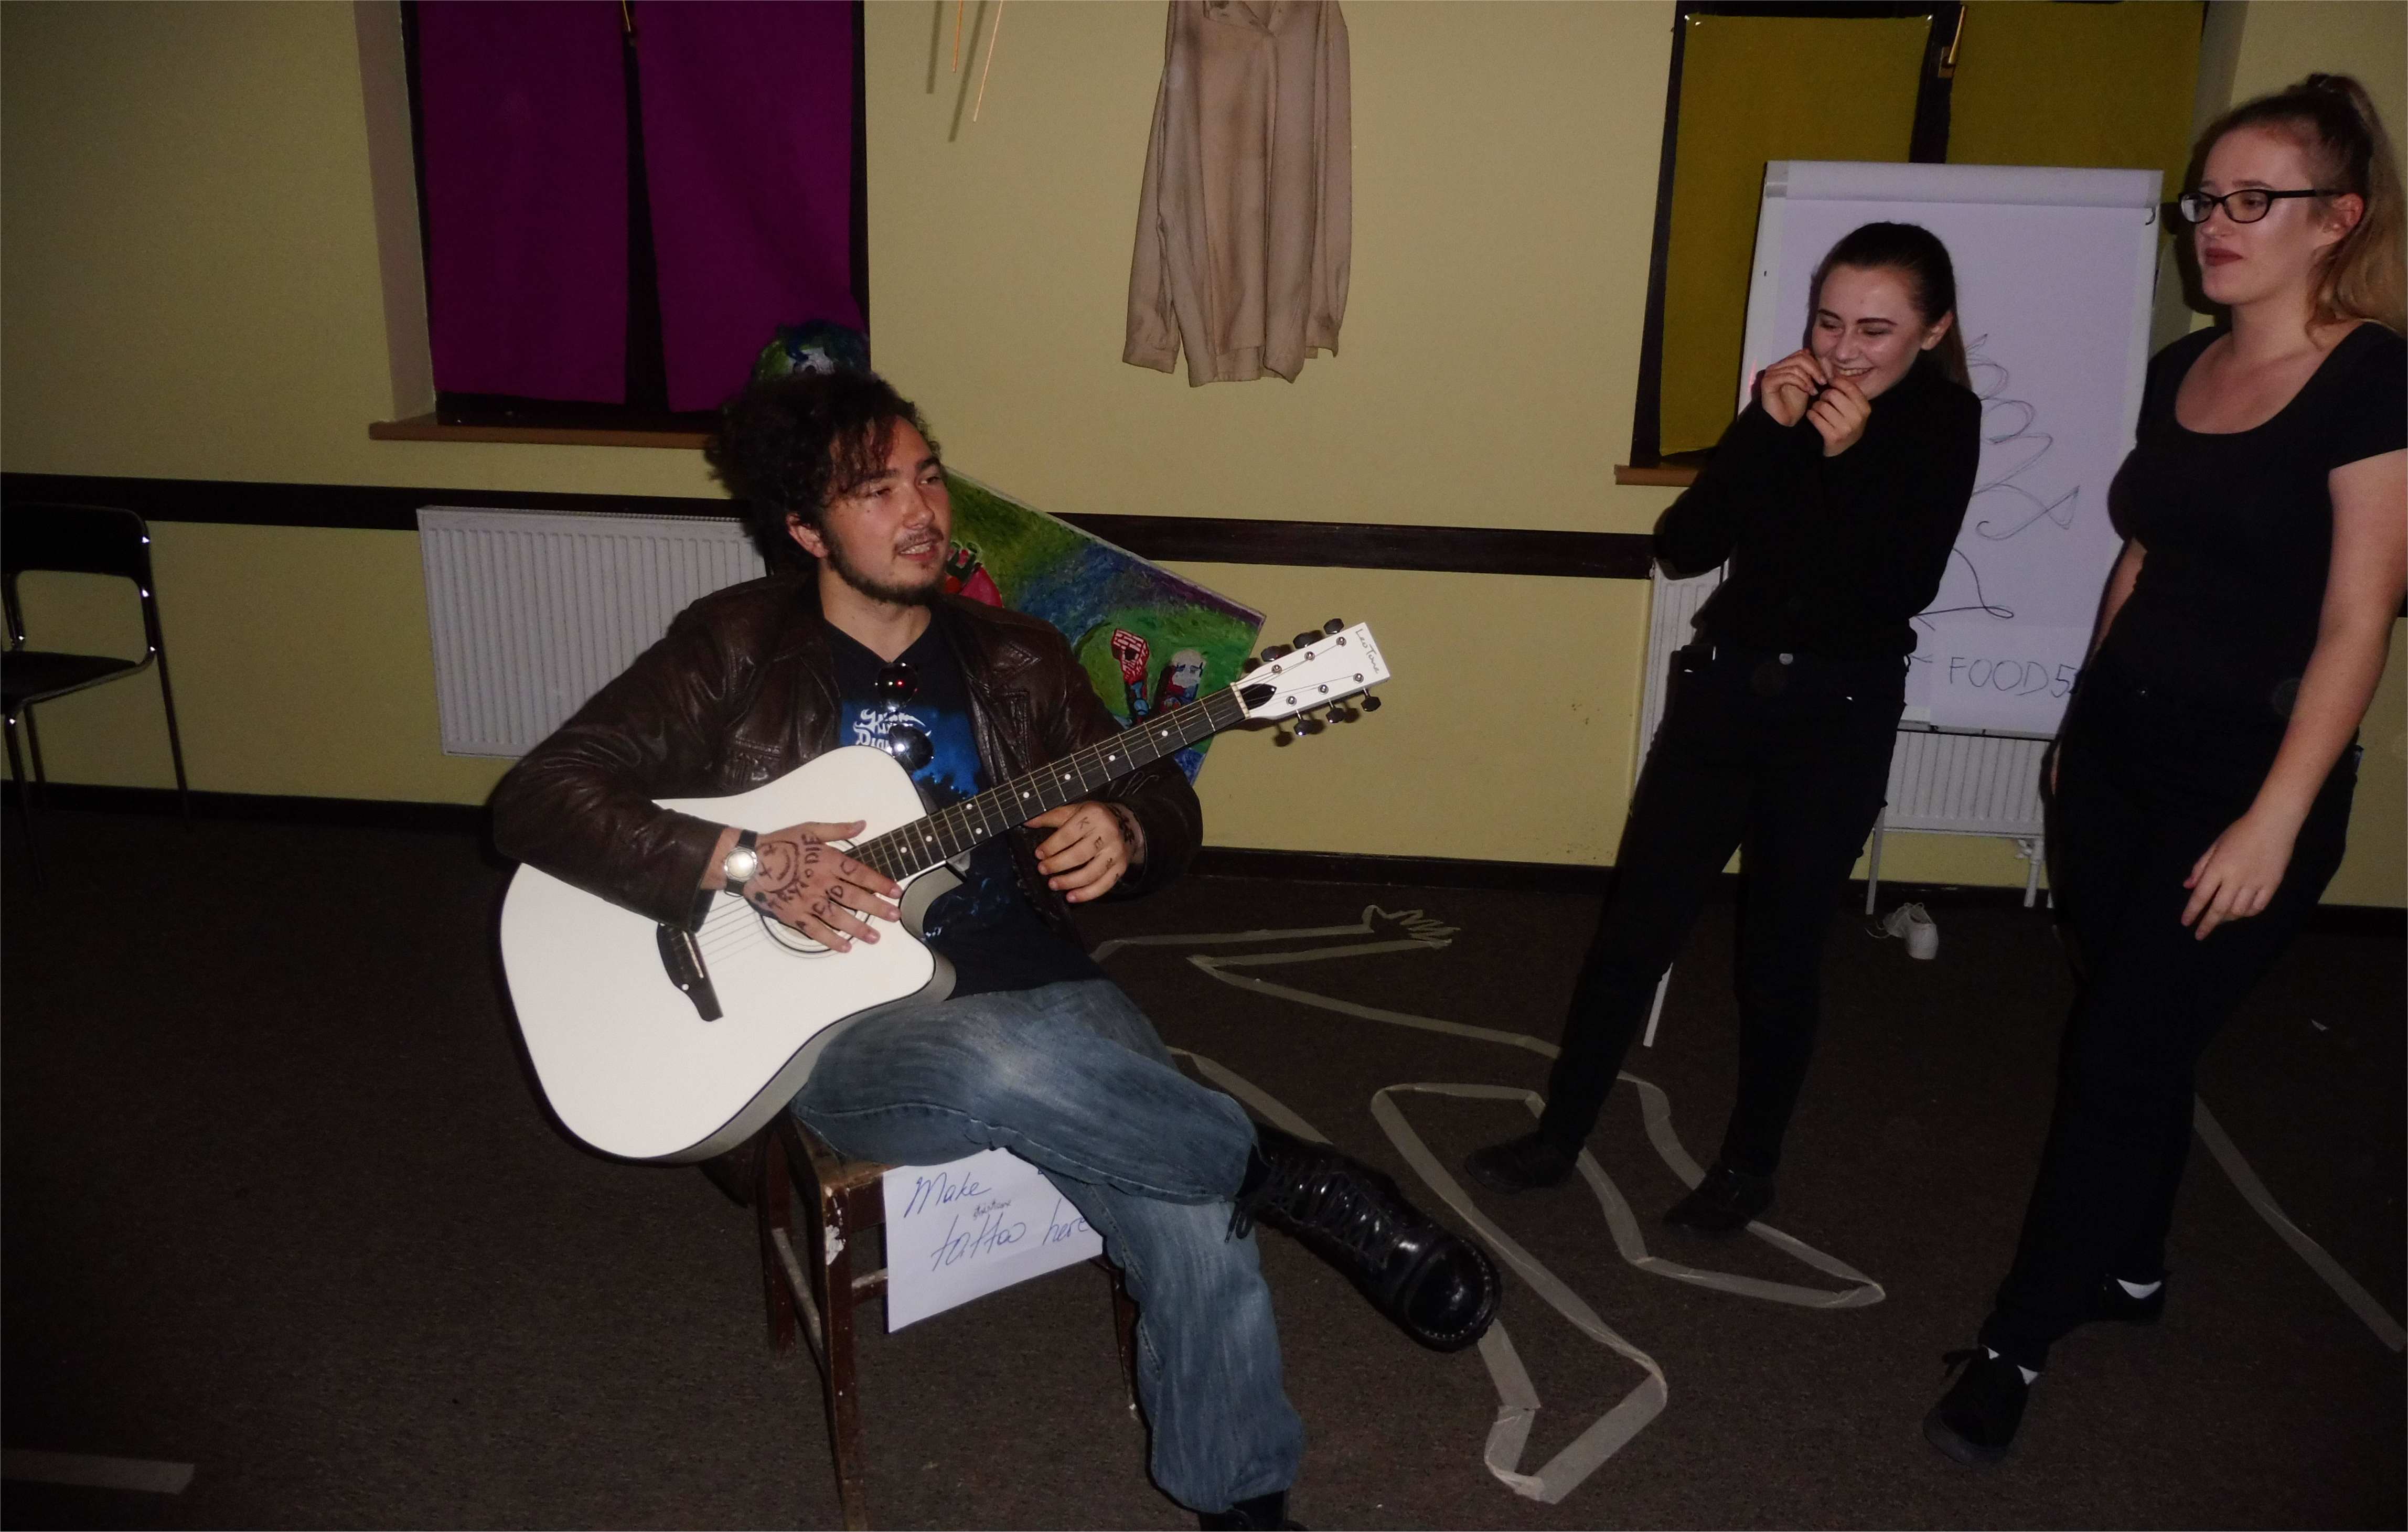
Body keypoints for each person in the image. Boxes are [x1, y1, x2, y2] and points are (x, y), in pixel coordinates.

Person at [490, 368, 1501, 1530]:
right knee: (1003, 1059)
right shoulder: (733, 647)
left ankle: (1244, 1505)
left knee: (1187, 1215)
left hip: (1037, 976)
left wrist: (1127, 829)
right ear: (807, 528)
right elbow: (539, 798)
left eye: (928, 477)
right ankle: (1292, 1176)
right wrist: (748, 861)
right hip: (842, 1033)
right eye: (877, 491)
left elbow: (1161, 798)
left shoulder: (1017, 654)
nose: (922, 511)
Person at [1925, 74, 2405, 1465]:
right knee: (2137, 1027)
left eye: (2254, 200)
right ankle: (2132, 1266)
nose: (2216, 224)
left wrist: (2276, 818)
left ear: (2337, 219)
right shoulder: (2181, 367)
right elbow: (2141, 554)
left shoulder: (2374, 379)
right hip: (2121, 752)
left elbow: (2359, 616)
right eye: (2207, 200)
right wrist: (2079, 727)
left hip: (2243, 777)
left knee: (2118, 1049)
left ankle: (2016, 1340)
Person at [1464, 223, 1982, 1229]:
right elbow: (1685, 545)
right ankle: (1558, 1134)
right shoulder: (1793, 401)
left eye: (1875, 329)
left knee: (1780, 954)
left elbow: (1896, 585)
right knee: (1635, 931)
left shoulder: (1941, 422)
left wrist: (1846, 459)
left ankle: (1748, 1167)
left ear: (1933, 331)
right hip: (1726, 691)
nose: (1842, 350)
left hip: (1837, 712)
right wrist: (1762, 429)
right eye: (1828, 321)